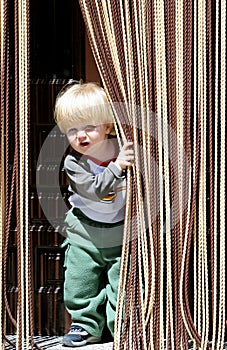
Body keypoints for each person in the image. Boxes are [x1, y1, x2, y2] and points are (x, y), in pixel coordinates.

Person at [54, 81, 134, 347]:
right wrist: (117, 168)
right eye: (72, 130)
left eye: (89, 127)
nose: (81, 135)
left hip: (118, 232)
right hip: (83, 233)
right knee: (79, 281)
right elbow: (93, 190)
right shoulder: (74, 163)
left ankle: (118, 326)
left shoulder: (122, 150)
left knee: (119, 282)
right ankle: (85, 325)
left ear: (108, 127)